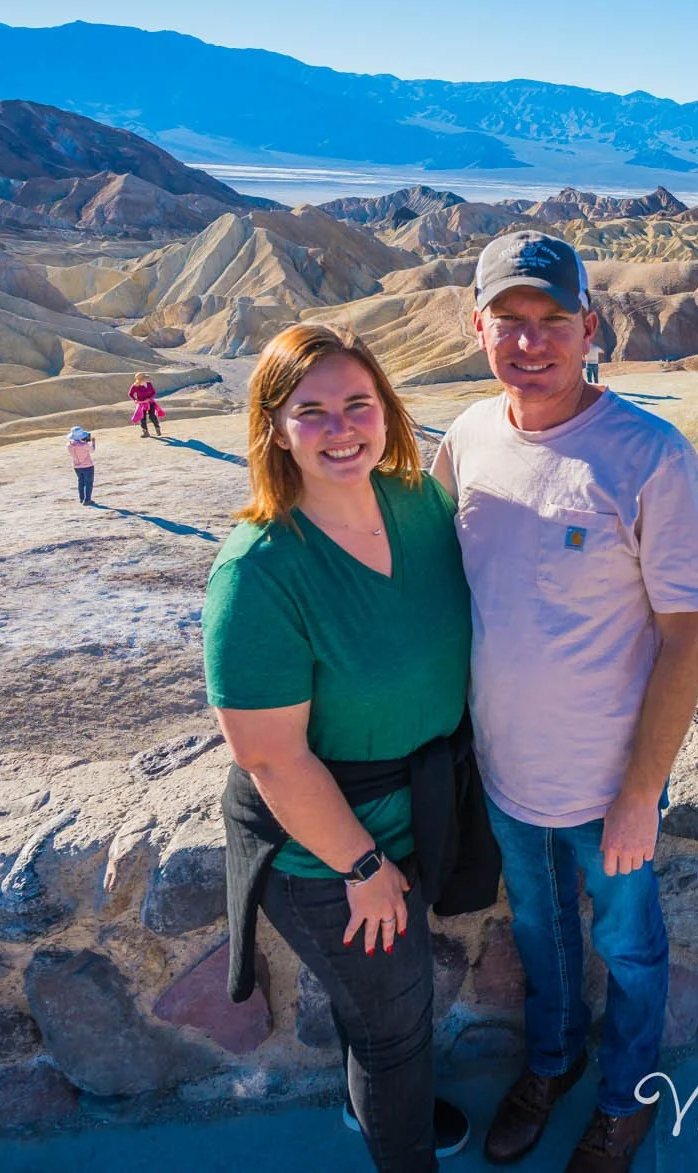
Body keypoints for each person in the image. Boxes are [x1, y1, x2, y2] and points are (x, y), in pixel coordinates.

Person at [433, 231, 698, 1173]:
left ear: (589, 326)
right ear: (477, 328)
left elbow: (688, 634)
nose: (531, 341)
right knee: (541, 935)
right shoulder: (468, 439)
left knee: (632, 949)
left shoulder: (650, 455)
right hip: (508, 775)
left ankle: (627, 1101)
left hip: (611, 786)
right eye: (509, 321)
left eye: (552, 320)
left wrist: (642, 791)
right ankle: (552, 1065)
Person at [204, 323, 481, 1172]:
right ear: (274, 428)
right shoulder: (259, 572)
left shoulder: (420, 505)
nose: (341, 427)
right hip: (327, 849)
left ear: (387, 412)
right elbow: (273, 756)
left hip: (418, 807)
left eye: (358, 404)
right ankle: (399, 1144)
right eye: (311, 410)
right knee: (396, 1023)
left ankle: (383, 1109)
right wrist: (362, 867)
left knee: (389, 1015)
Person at [129, 372, 165, 438]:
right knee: (142, 417)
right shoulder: (135, 386)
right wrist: (135, 400)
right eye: (146, 378)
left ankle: (157, 428)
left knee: (152, 416)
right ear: (141, 379)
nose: (148, 379)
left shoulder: (149, 384)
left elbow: (154, 392)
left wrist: (149, 398)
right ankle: (146, 433)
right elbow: (130, 394)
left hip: (150, 402)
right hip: (141, 404)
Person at [67, 426, 96, 505]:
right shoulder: (84, 445)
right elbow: (92, 450)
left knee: (81, 482)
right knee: (89, 483)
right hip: (87, 466)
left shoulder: (69, 445)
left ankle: (82, 498)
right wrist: (92, 442)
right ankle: (87, 500)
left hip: (77, 466)